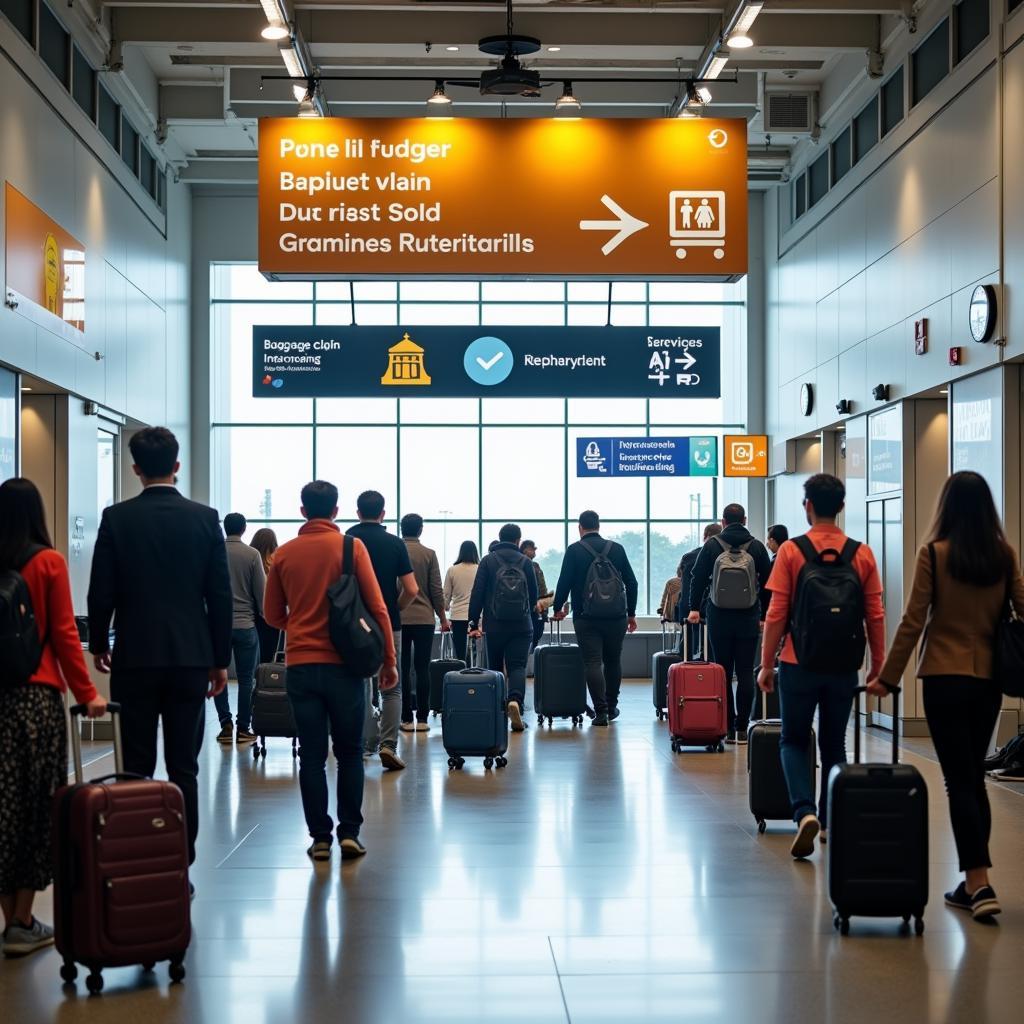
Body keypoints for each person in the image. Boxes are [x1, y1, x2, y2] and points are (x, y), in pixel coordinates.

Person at [871, 471, 1024, 920]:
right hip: (988, 679)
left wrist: (888, 676)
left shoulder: (934, 555)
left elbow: (913, 620)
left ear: (947, 508)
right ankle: (974, 880)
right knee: (972, 775)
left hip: (943, 677)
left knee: (959, 778)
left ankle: (978, 882)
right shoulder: (1003, 555)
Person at [88, 427, 232, 878]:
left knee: (135, 763)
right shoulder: (205, 518)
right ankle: (178, 863)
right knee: (184, 766)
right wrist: (218, 659)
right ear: (177, 466)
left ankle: (136, 858)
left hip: (135, 656)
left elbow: (101, 589)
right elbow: (220, 595)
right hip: (190, 657)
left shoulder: (116, 518)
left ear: (135, 469)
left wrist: (98, 643)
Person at [0, 479, 107, 957]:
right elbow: (65, 636)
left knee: (3, 808)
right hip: (34, 702)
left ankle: (12, 920)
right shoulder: (47, 562)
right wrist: (89, 696)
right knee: (36, 806)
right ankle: (22, 921)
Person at [264, 480, 397, 862]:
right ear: (336, 511)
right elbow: (379, 608)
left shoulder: (285, 555)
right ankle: (350, 833)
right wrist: (388, 660)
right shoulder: (350, 548)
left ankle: (319, 838)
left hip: (302, 667)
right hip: (346, 667)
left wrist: (301, 625)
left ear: (302, 511)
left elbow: (273, 615)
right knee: (351, 752)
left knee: (311, 755)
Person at [757, 473, 885, 860]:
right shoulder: (861, 553)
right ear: (842, 507)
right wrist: (877, 665)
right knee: (834, 743)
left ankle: (804, 811)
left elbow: (777, 613)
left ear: (807, 506)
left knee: (793, 739)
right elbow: (875, 615)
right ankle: (828, 821)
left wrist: (766, 664)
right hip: (844, 664)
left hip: (798, 661)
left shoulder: (792, 552)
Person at [687, 504, 771, 744]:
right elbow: (768, 582)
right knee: (745, 671)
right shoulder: (756, 546)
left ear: (723, 522)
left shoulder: (712, 545)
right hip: (748, 616)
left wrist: (694, 608)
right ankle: (742, 728)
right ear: (744, 519)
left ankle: (727, 724)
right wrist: (764, 615)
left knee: (722, 671)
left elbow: (698, 577)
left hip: (719, 616)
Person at [346, 490, 418, 772]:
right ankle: (389, 745)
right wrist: (394, 608)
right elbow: (411, 589)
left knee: (360, 682)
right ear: (383, 514)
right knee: (392, 686)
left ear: (357, 512)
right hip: (388, 623)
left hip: (352, 624)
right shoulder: (395, 543)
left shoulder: (346, 542)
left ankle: (363, 744)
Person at [552, 511, 639, 726]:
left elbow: (564, 582)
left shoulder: (574, 551)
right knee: (612, 660)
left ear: (580, 527)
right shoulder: (616, 549)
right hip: (616, 616)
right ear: (598, 526)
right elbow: (632, 582)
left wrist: (557, 608)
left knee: (592, 662)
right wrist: (631, 614)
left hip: (585, 617)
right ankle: (611, 706)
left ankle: (600, 713)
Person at [468, 523, 538, 732]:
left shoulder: (488, 561)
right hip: (521, 625)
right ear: (518, 540)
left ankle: (498, 710)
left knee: (496, 668)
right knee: (517, 666)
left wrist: (473, 620)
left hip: (495, 624)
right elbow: (533, 596)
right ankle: (515, 701)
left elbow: (477, 593)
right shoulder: (526, 562)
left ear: (499, 538)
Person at [214, 513, 266, 747]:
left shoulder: (212, 552)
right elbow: (261, 594)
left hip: (217, 627)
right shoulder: (252, 555)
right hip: (246, 626)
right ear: (244, 529)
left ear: (225, 529)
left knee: (218, 676)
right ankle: (244, 728)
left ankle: (225, 725)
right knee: (247, 680)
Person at [399, 513, 449, 731]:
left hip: (398, 617)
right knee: (422, 668)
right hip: (424, 619)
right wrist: (443, 617)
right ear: (420, 530)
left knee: (401, 667)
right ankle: (422, 719)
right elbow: (436, 590)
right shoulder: (429, 554)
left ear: (402, 529)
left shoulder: (395, 550)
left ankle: (405, 718)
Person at [676, 523, 722, 657]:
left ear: (704, 536)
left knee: (687, 649)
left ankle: (686, 675)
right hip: (713, 608)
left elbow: (680, 578)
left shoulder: (688, 556)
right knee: (712, 650)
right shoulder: (722, 557)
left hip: (688, 609)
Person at [443, 540, 479, 661]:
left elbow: (446, 595)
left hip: (458, 615)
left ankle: (460, 673)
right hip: (475, 615)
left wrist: (445, 607)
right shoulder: (479, 569)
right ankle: (473, 671)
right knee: (474, 649)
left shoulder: (452, 570)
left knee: (459, 649)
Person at [251, 527, 280, 662]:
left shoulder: (250, 559)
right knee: (268, 655)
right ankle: (265, 679)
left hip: (252, 614)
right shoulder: (276, 561)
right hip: (270, 614)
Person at [520, 539, 552, 650]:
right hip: (531, 610)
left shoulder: (535, 566)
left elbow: (543, 589)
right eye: (532, 548)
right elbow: (541, 589)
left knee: (533, 639)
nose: (534, 551)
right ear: (524, 550)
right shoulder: (531, 566)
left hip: (531, 609)